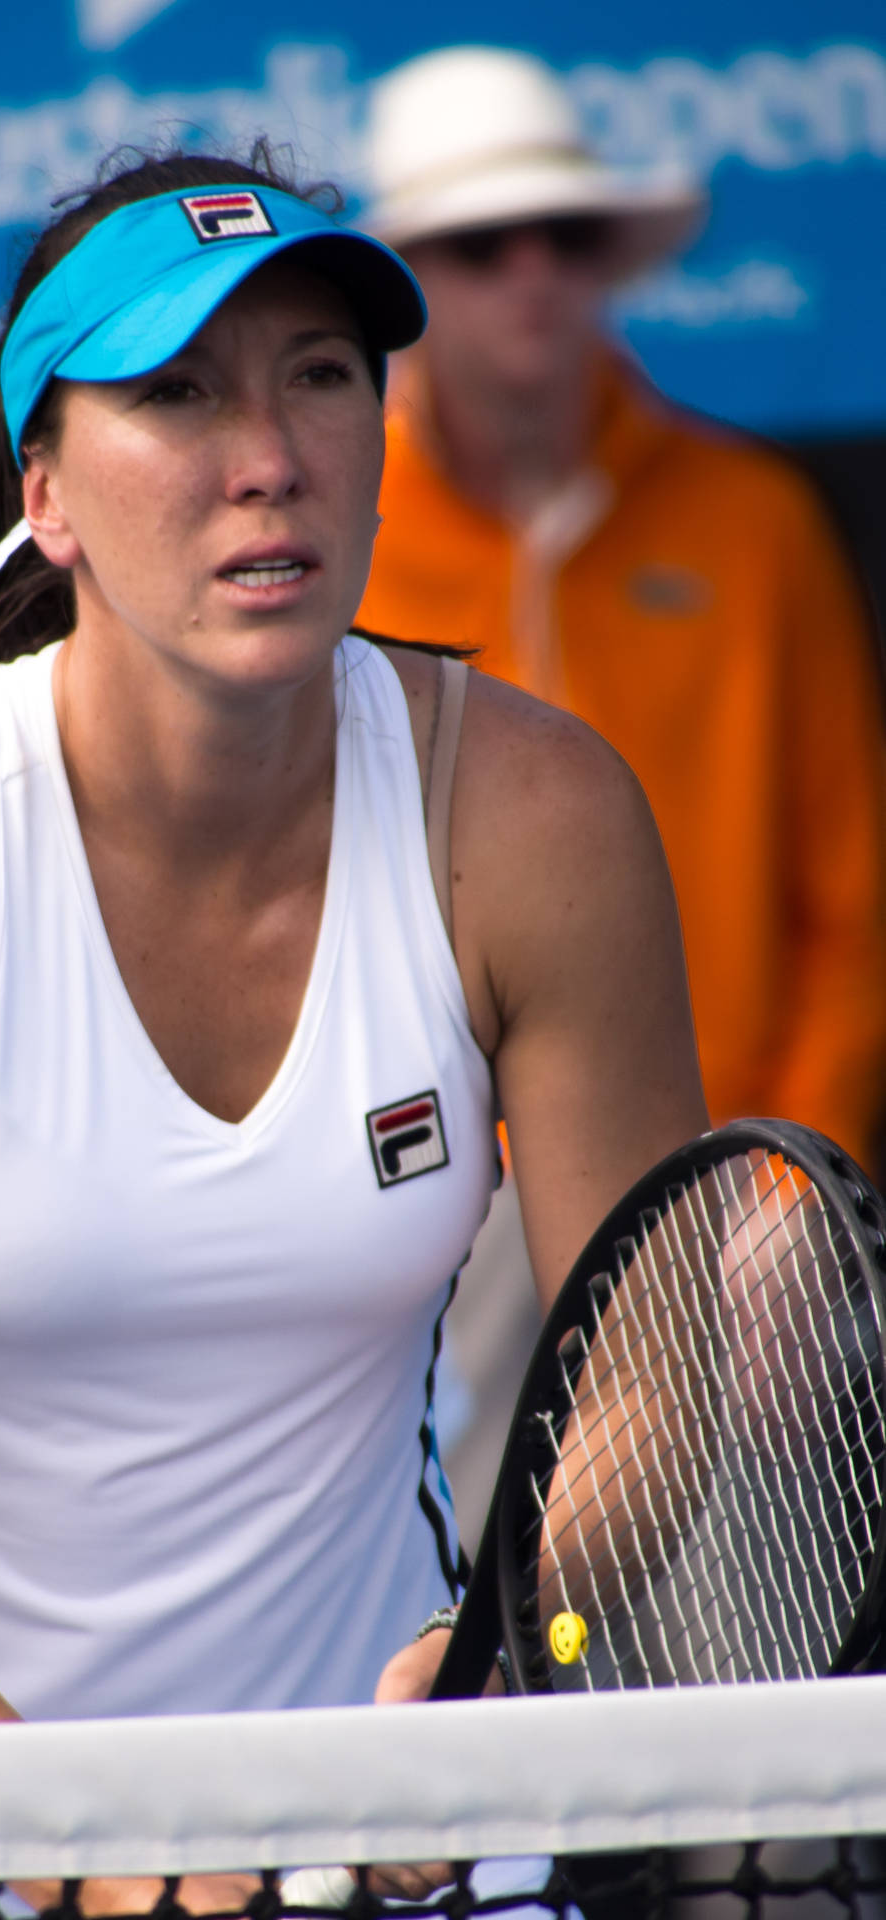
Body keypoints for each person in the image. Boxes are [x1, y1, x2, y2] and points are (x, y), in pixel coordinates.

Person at [0, 143, 707, 1912]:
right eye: (177, 394)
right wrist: (95, 1868)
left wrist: (495, 1651)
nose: (267, 458)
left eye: (318, 376)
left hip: (386, 1795)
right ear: (45, 491)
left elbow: (650, 1363)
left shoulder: (537, 820)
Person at [354, 45, 886, 1542]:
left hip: (729, 1199)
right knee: (445, 1662)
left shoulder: (751, 520)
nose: (528, 275)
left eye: (563, 236)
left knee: (745, 1681)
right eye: (475, 244)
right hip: (431, 1215)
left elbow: (850, 903)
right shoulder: (342, 553)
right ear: (407, 282)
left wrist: (788, 1194)